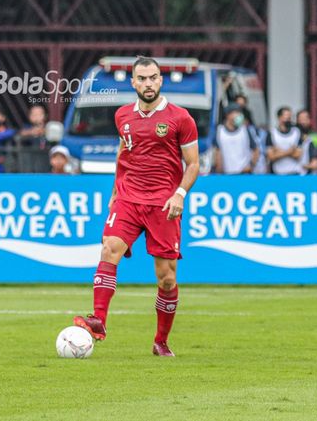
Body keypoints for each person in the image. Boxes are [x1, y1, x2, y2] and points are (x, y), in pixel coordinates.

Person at [73, 56, 199, 357]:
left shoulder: (181, 118)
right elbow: (122, 153)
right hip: (129, 199)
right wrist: (116, 192)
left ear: (160, 80)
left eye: (153, 77)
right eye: (142, 78)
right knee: (109, 248)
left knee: (166, 278)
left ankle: (161, 340)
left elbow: (193, 164)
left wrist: (179, 194)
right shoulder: (122, 116)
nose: (148, 83)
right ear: (133, 82)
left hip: (163, 204)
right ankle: (99, 320)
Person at [212, 104, 258, 174]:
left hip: (244, 174)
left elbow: (256, 150)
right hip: (227, 175)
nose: (239, 115)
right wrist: (219, 170)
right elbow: (217, 152)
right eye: (236, 112)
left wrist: (251, 165)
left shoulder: (245, 130)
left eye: (239, 113)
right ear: (228, 115)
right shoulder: (219, 131)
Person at [266, 106, 303, 175]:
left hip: (294, 172)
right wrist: (290, 151)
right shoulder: (272, 133)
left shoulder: (296, 132)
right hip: (278, 173)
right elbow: (271, 156)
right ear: (279, 117)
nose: (289, 119)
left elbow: (298, 155)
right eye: (287, 116)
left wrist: (279, 151)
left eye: (290, 117)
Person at [296, 109, 317, 174]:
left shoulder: (315, 135)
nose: (303, 122)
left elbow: (315, 152)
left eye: (305, 118)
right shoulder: (293, 135)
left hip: (309, 172)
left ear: (309, 120)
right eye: (301, 119)